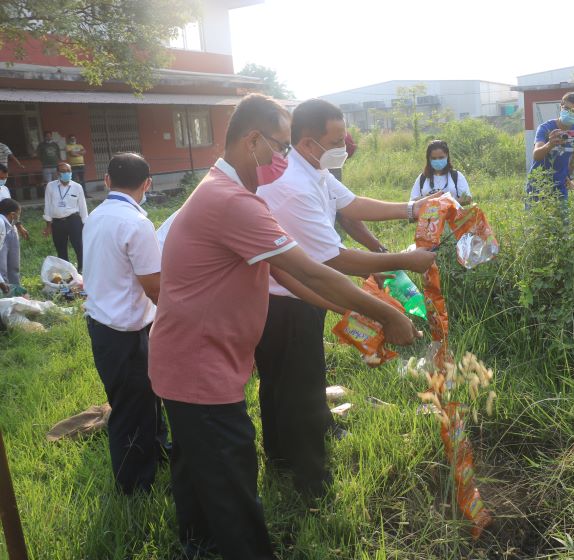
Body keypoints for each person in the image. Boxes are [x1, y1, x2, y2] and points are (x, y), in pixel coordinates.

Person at [148, 93, 419, 560]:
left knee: (198, 473)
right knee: (231, 485)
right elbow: (316, 268)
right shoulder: (232, 202)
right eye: (278, 146)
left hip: (191, 361)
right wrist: (388, 314)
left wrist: (343, 313)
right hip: (201, 369)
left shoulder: (229, 191)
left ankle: (197, 546)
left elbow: (284, 273)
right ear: (252, 141)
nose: (283, 157)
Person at [256, 98, 437, 496]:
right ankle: (310, 481)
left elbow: (352, 204)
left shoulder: (315, 171)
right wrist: (407, 260)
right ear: (307, 142)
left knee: (287, 381)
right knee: (296, 384)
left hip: (299, 291)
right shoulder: (292, 188)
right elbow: (334, 259)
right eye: (337, 139)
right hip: (283, 301)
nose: (345, 145)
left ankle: (281, 458)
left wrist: (412, 209)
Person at [82, 152, 169, 494]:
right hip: (126, 332)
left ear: (106, 181)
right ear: (147, 184)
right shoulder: (136, 224)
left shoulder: (97, 216)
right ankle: (133, 487)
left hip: (105, 324)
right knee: (131, 407)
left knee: (148, 397)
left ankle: (159, 451)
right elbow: (155, 287)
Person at [526, 91, 574, 200]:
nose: (568, 112)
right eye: (566, 109)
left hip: (560, 188)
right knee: (538, 217)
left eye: (573, 111)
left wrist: (568, 177)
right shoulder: (545, 128)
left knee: (561, 217)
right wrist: (550, 144)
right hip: (538, 186)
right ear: (561, 107)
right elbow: (536, 155)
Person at [43, 161, 88, 272]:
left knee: (79, 246)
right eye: (63, 171)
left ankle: (82, 269)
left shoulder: (77, 187)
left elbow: (83, 206)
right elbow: (47, 205)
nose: (67, 173)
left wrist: (85, 223)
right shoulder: (50, 186)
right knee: (60, 248)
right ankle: (67, 272)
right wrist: (48, 225)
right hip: (57, 222)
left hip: (74, 220)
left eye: (68, 171)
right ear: (58, 173)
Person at [410, 139, 472, 205]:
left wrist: (448, 203)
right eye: (434, 158)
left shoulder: (456, 176)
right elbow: (412, 201)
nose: (437, 161)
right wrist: (428, 199)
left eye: (441, 158)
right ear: (429, 159)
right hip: (428, 215)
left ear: (447, 156)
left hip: (451, 214)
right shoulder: (422, 178)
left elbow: (467, 198)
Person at [0, 164, 30, 241]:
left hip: (11, 228)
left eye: (5, 178)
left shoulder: (5, 189)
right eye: (1, 178)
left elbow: (12, 210)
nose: (3, 180)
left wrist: (19, 227)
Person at [0, 198, 22, 294]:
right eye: (18, 215)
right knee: (2, 269)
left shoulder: (6, 225)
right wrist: (1, 282)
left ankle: (14, 294)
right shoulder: (1, 224)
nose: (18, 218)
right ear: (12, 214)